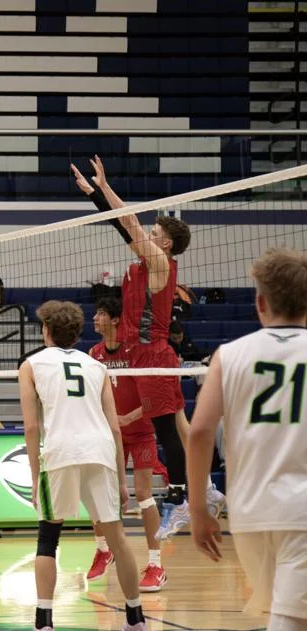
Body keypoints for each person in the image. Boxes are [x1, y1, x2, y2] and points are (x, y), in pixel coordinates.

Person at [70, 155, 225, 538]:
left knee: (166, 430)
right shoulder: (145, 260)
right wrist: (96, 195)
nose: (148, 235)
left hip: (152, 352)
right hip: (147, 354)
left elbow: (128, 222)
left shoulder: (159, 261)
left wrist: (105, 188)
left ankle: (183, 499)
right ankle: (206, 489)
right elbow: (124, 227)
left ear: (166, 243)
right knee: (178, 422)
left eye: (154, 232)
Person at [187, 248, 307, 631]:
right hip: (301, 511)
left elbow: (200, 431)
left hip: (250, 516)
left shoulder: (229, 355)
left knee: (284, 612)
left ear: (260, 302)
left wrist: (198, 510)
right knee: (289, 619)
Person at [19, 300, 147, 631]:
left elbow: (32, 428)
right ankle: (135, 618)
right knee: (117, 538)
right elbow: (115, 427)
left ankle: (44, 621)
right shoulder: (97, 367)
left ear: (46, 330)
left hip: (61, 451)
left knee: (48, 536)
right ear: (76, 334)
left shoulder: (31, 365)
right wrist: (122, 479)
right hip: (100, 451)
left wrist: (35, 478)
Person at [86, 297, 167, 590]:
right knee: (99, 492)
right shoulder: (93, 354)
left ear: (116, 319)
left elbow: (154, 400)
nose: (94, 317)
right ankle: (103, 549)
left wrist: (126, 418)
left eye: (100, 312)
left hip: (141, 431)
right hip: (111, 434)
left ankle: (156, 565)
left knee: (144, 495)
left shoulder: (136, 352)